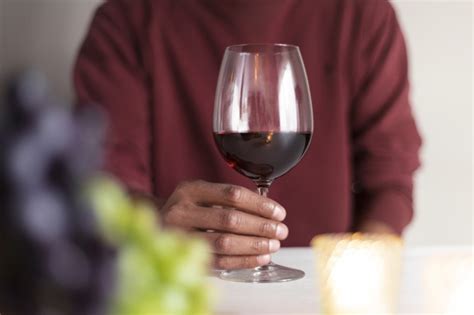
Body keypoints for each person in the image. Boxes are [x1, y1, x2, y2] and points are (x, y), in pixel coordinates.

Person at [74, 0, 422, 270]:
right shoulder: (127, 21)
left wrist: (351, 284)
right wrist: (155, 224)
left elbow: (389, 184)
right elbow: (109, 188)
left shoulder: (360, 14)